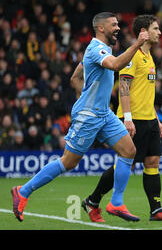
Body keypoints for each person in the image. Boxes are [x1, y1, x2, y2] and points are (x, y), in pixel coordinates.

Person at [11, 12, 149, 222]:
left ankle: (116, 203)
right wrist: (137, 43)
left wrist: (85, 95)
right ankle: (23, 191)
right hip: (89, 115)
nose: (118, 28)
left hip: (103, 113)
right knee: (68, 162)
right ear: (101, 28)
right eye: (114, 25)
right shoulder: (96, 49)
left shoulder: (99, 51)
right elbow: (114, 65)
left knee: (129, 151)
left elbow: (75, 77)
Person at [81, 14, 162, 222]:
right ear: (143, 32)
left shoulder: (149, 57)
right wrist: (127, 118)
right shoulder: (133, 56)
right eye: (155, 29)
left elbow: (146, 92)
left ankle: (156, 210)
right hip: (132, 119)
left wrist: (157, 118)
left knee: (153, 161)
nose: (159, 32)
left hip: (149, 119)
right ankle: (94, 200)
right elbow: (124, 88)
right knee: (128, 163)